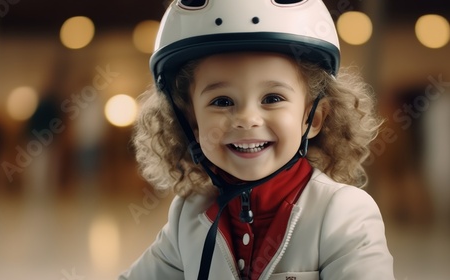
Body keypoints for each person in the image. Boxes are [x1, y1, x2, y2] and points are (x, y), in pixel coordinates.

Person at [120, 0, 394, 279]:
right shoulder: (188, 215)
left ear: (313, 118)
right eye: (222, 101)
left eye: (272, 98)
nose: (246, 118)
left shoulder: (342, 213)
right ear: (192, 123)